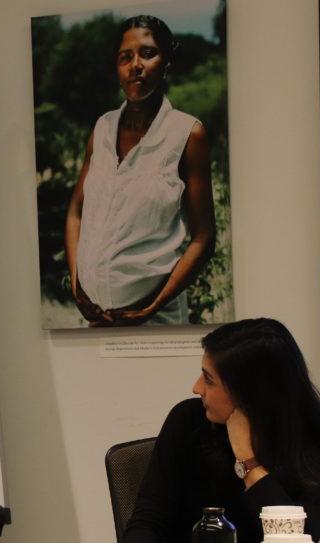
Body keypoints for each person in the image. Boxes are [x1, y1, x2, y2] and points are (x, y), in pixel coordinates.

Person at [123, 318, 320, 543]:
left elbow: (298, 542)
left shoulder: (314, 438)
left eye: (209, 380)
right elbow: (145, 525)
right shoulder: (188, 421)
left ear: (250, 392)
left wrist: (248, 460)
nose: (197, 388)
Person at [64, 15, 216, 326]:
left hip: (155, 322)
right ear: (116, 67)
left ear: (166, 61)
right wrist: (78, 284)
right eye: (125, 57)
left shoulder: (187, 134)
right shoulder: (103, 129)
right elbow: (76, 213)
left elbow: (204, 237)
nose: (136, 65)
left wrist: (151, 306)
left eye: (148, 53)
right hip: (95, 320)